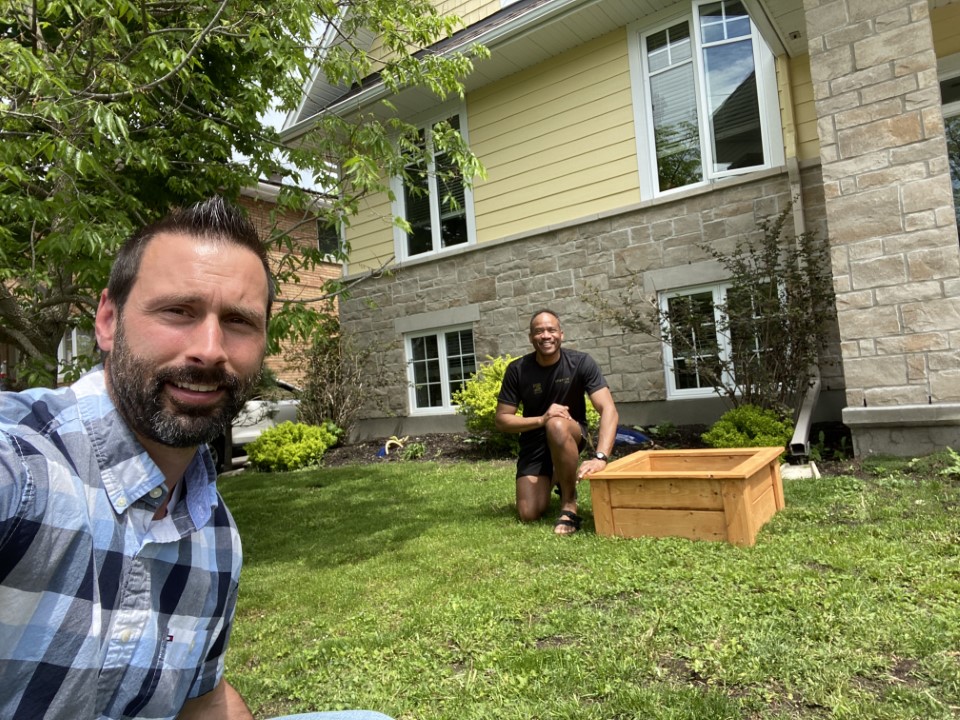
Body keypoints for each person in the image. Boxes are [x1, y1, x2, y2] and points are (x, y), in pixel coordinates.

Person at [0, 197, 393, 720]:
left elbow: (203, 702)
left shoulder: (215, 536)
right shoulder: (25, 466)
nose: (210, 349)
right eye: (178, 311)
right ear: (108, 320)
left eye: (238, 321)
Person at [494, 309, 619, 535]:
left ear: (562, 334)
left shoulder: (581, 362)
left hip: (570, 433)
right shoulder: (517, 369)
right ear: (531, 337)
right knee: (529, 513)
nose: (546, 335)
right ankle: (560, 473)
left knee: (557, 424)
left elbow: (608, 409)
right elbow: (502, 420)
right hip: (535, 440)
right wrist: (542, 419)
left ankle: (569, 504)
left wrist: (600, 457)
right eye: (539, 331)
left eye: (551, 330)